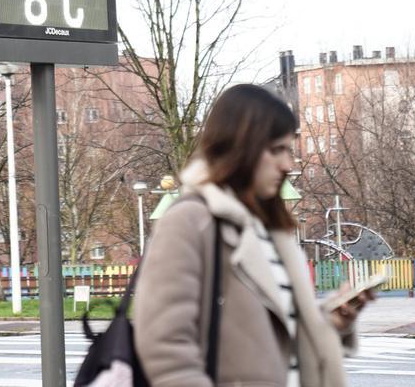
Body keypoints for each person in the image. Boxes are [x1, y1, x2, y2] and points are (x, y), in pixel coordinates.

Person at [133, 84, 371, 387]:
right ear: (240, 147)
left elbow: (276, 344)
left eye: (289, 150)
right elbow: (165, 346)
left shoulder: (272, 232)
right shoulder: (191, 221)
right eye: (276, 150)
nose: (287, 165)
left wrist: (333, 321)